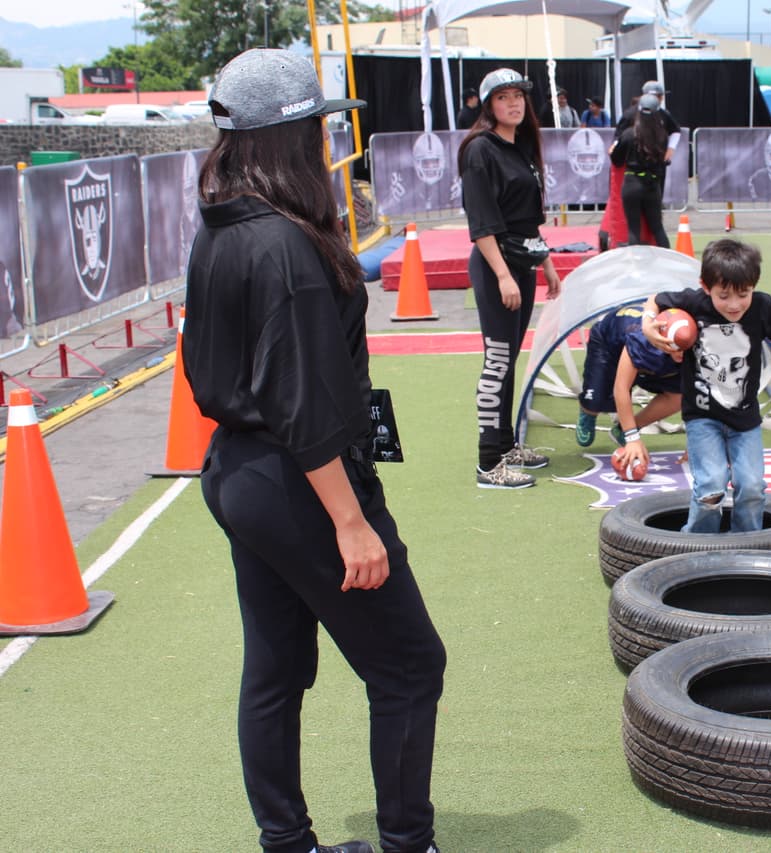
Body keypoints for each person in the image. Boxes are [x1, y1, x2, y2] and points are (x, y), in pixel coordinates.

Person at [182, 48, 446, 853]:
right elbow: (300, 409)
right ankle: (408, 842)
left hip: (239, 472)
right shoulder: (285, 247)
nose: (329, 142)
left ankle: (286, 843)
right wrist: (351, 522)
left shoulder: (223, 226)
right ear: (285, 138)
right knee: (409, 666)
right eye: (317, 127)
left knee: (276, 669)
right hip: (301, 481)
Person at [640, 239, 771, 533]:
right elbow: (656, 299)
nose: (734, 304)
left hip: (745, 420)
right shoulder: (694, 302)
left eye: (743, 294)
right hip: (703, 417)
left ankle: (748, 545)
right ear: (706, 286)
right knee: (711, 486)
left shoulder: (763, 307)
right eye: (723, 295)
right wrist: (648, 324)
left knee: (751, 486)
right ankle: (697, 544)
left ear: (754, 285)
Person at [459, 68, 563, 488]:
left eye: (518, 95)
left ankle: (506, 445)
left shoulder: (519, 145)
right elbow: (482, 224)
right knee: (497, 361)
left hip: (521, 264)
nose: (513, 103)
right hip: (495, 266)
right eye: (503, 98)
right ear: (488, 106)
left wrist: (547, 265)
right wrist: (502, 276)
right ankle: (489, 464)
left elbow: (527, 220)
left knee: (509, 360)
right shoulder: (479, 150)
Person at [575, 305, 682, 462]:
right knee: (596, 400)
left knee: (681, 394)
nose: (684, 354)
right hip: (610, 348)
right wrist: (632, 437)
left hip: (656, 357)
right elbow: (622, 387)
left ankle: (625, 429)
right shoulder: (642, 342)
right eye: (679, 348)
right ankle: (588, 411)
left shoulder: (697, 345)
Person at [609, 92, 670, 248]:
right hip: (652, 184)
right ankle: (669, 263)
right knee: (657, 228)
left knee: (634, 229)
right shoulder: (662, 136)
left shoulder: (629, 134)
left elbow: (616, 159)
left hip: (632, 183)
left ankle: (635, 268)